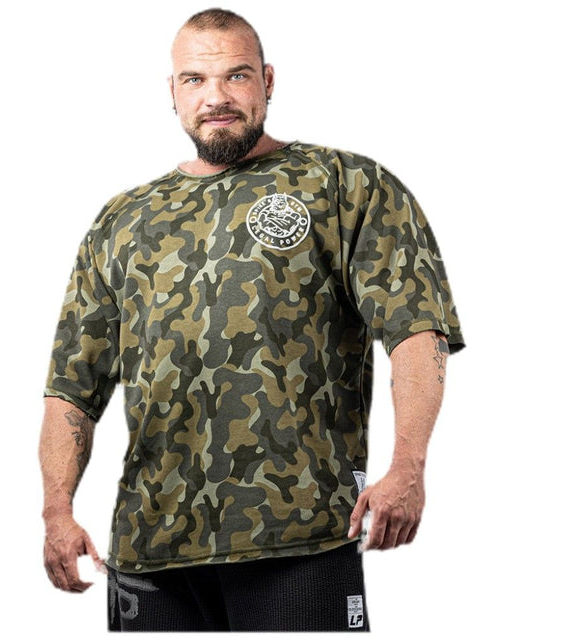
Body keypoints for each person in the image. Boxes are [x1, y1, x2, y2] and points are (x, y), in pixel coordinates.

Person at [39, 8, 465, 632]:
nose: (215, 97)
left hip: (303, 536)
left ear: (267, 80)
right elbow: (72, 387)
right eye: (194, 80)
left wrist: (408, 467)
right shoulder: (122, 220)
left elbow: (416, 331)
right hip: (149, 548)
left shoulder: (345, 184)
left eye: (235, 76)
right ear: (172, 91)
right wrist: (56, 510)